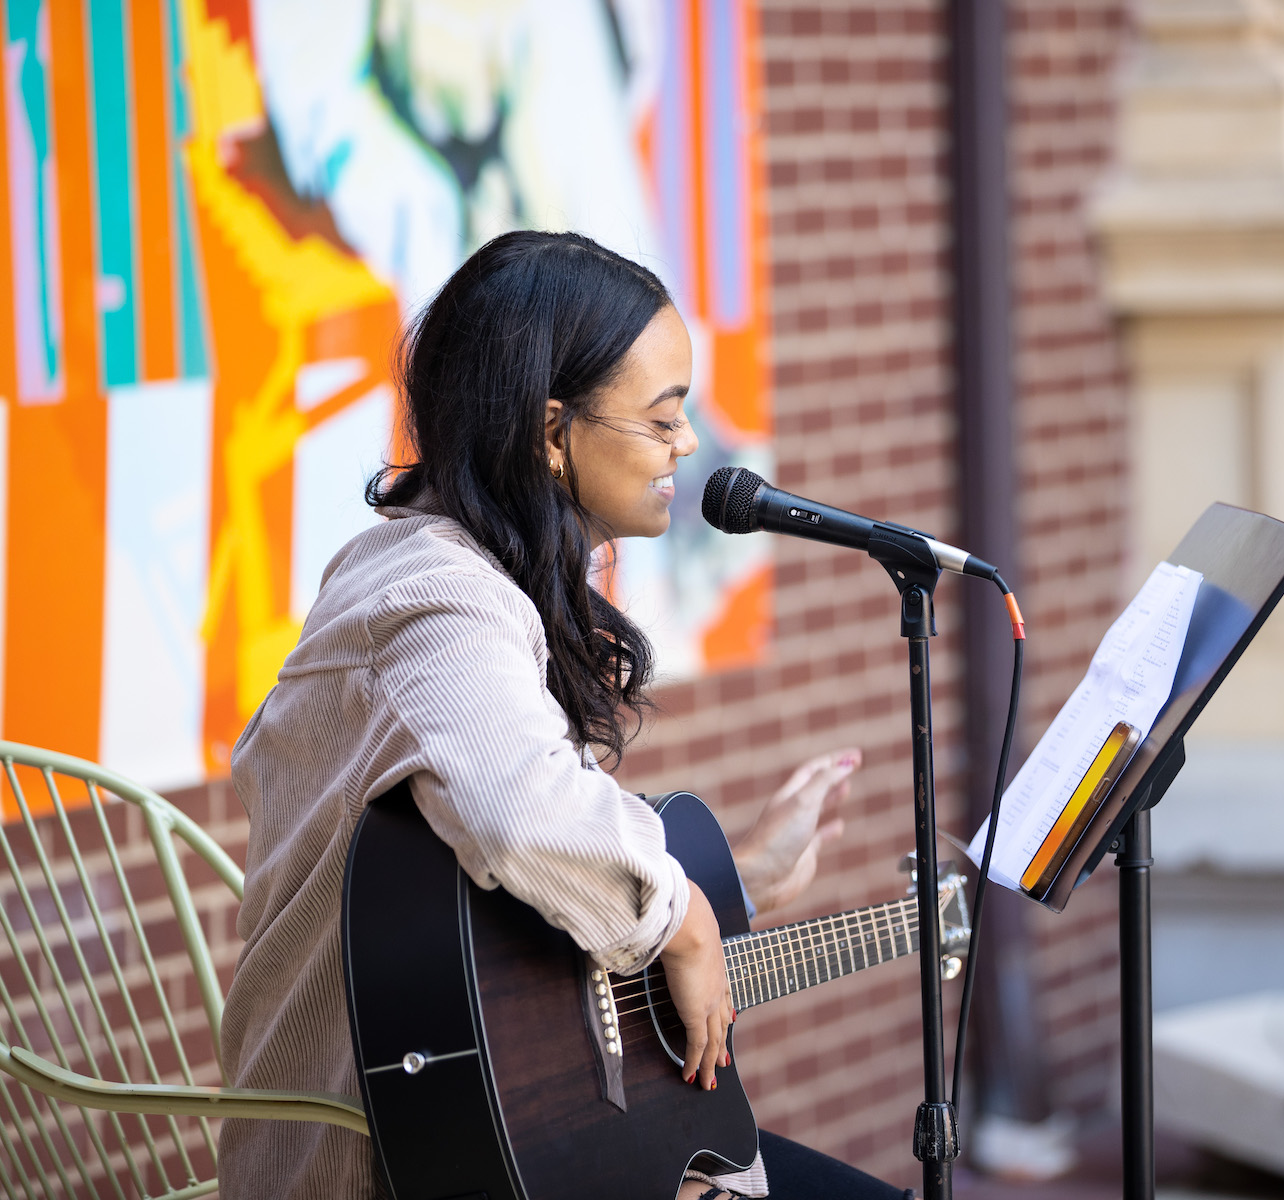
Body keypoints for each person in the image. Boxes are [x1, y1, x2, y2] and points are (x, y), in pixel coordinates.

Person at [219, 230, 912, 1200]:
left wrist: (737, 876)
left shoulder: (484, 581)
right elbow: (517, 813)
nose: (686, 444)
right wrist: (683, 920)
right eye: (662, 417)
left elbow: (493, 901)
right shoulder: (435, 599)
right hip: (387, 1165)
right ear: (551, 433)